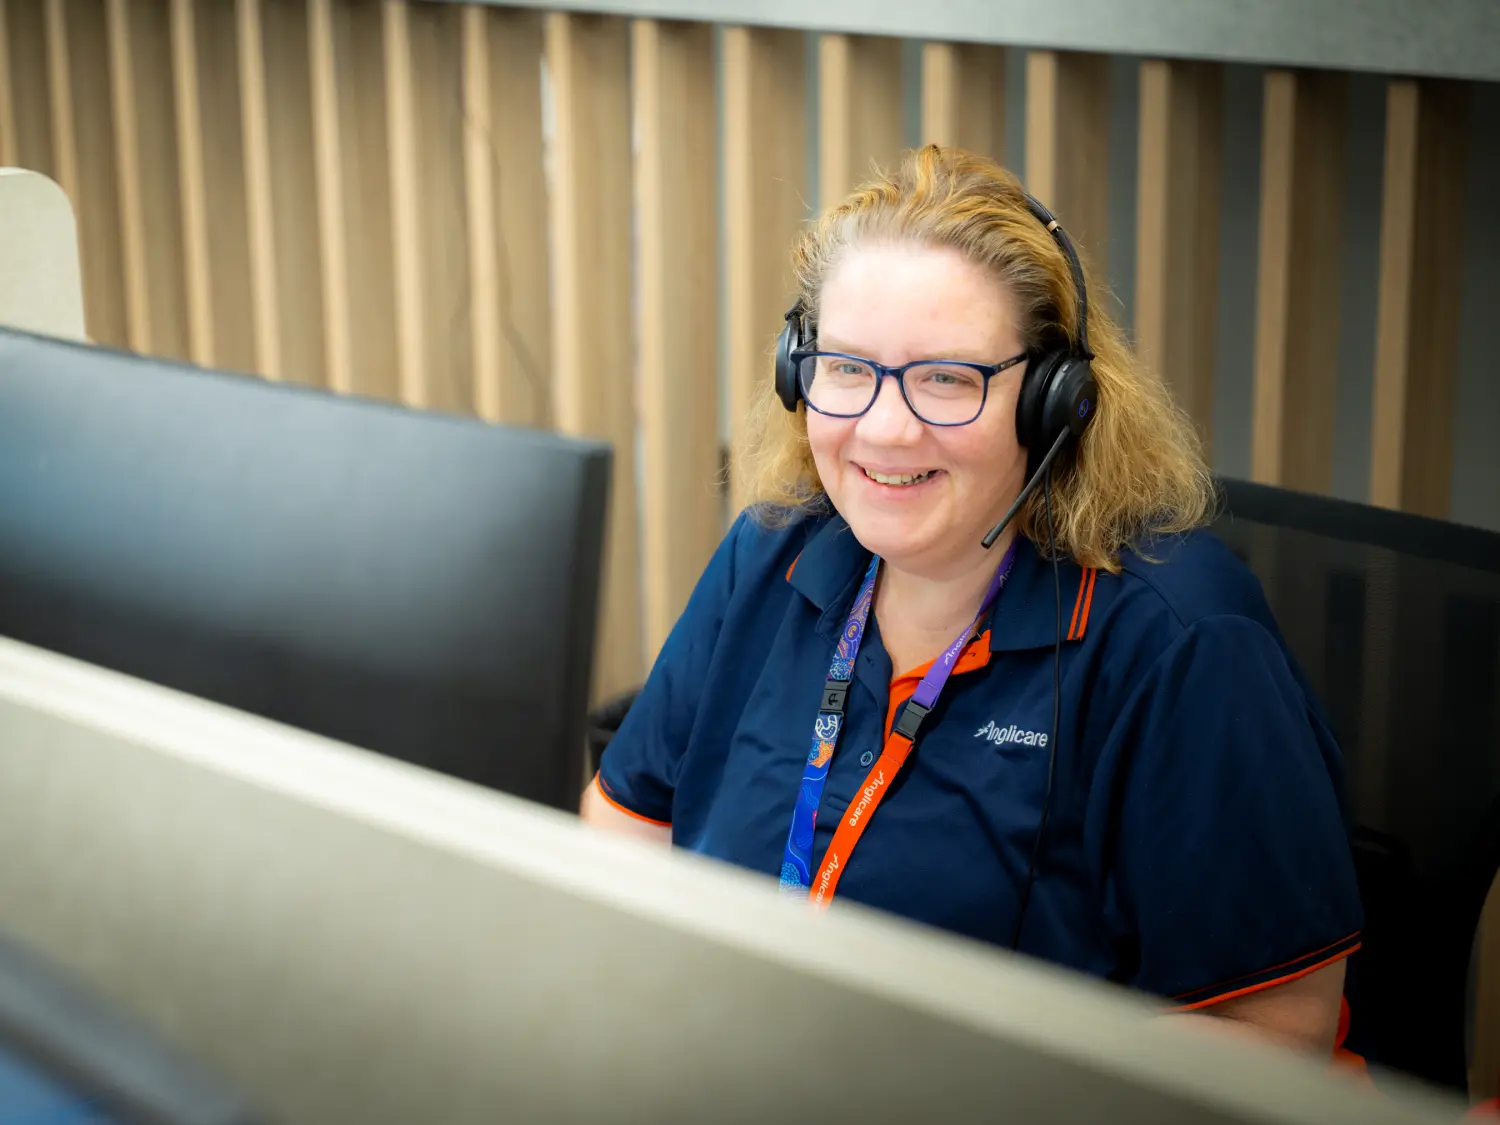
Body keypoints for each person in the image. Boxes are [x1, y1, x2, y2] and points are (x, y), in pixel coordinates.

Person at [582, 145, 1363, 1057]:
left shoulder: (1179, 639)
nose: (885, 428)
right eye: (847, 368)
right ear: (801, 372)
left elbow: (1276, 1027)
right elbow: (626, 827)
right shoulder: (772, 551)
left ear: (1055, 401)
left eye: (946, 379)